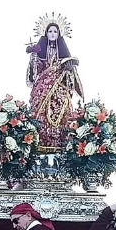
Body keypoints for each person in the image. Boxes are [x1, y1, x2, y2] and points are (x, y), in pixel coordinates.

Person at [25, 19, 84, 150]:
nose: (52, 34)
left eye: (55, 31)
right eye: (50, 31)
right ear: (45, 33)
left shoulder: (63, 51)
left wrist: (69, 70)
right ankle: (41, 140)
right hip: (43, 86)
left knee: (61, 110)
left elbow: (71, 74)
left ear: (59, 33)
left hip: (60, 86)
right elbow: (36, 71)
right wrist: (34, 55)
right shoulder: (41, 50)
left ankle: (61, 142)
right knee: (40, 112)